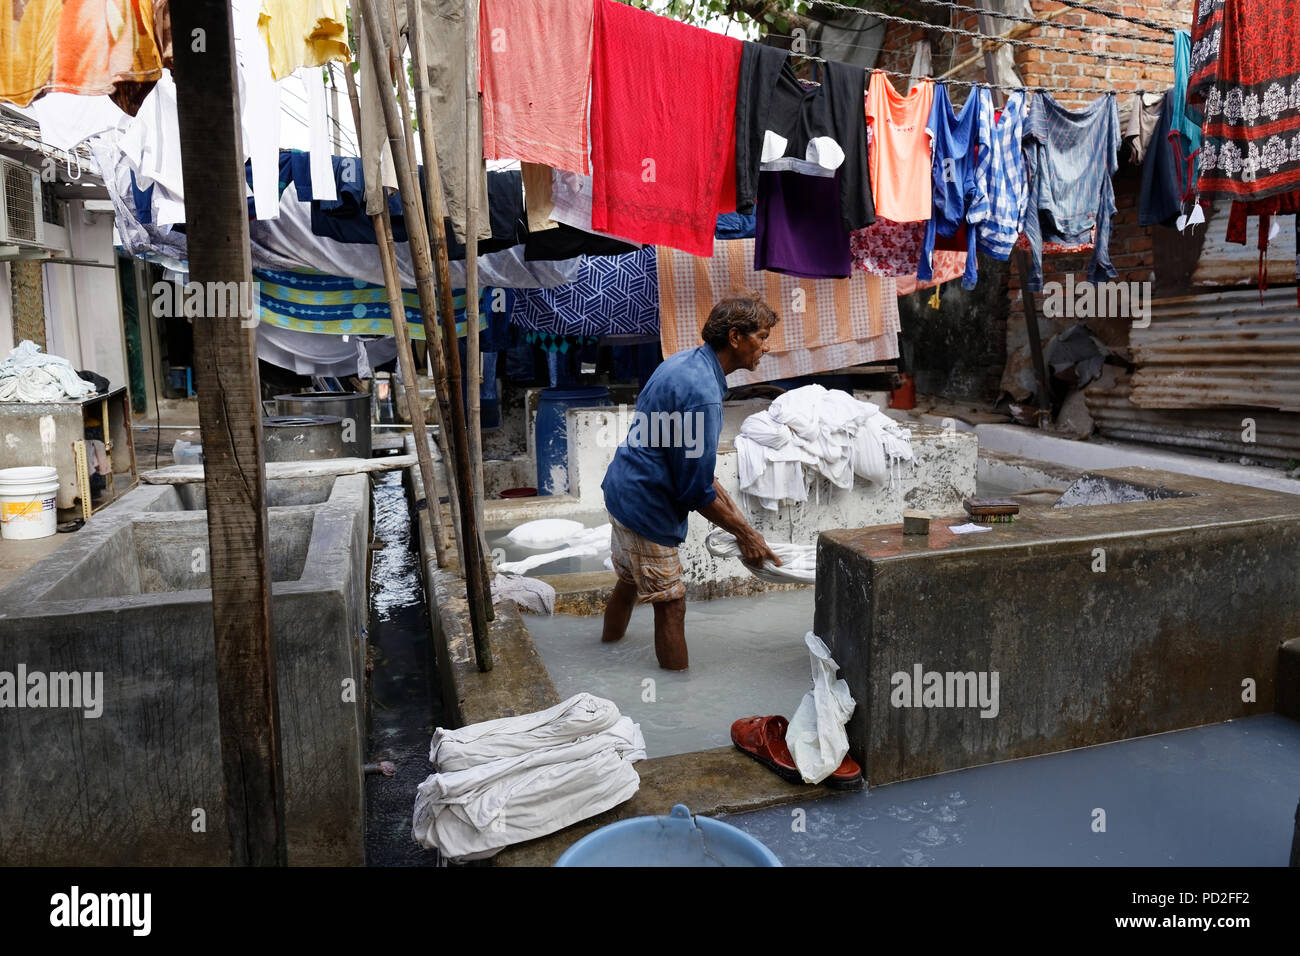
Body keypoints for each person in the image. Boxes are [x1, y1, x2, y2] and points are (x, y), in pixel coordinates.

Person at [601, 293, 782, 670]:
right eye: (762, 337)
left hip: (622, 487)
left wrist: (744, 527)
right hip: (645, 506)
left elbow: (698, 473)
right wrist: (747, 536)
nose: (765, 347)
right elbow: (696, 491)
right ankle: (675, 703)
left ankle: (605, 650)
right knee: (671, 604)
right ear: (735, 337)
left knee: (630, 580)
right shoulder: (703, 396)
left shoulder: (684, 362)